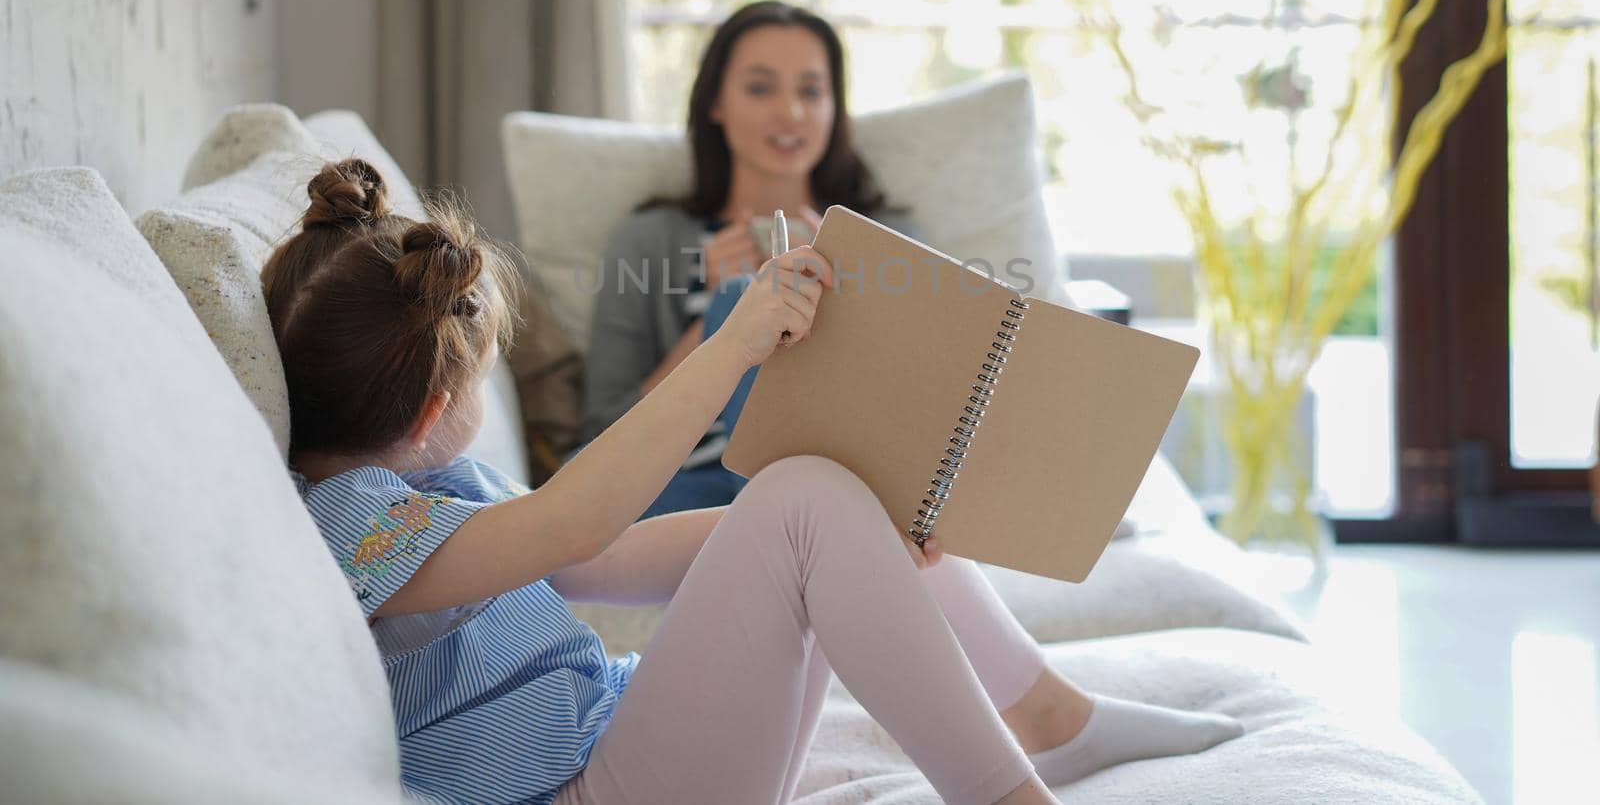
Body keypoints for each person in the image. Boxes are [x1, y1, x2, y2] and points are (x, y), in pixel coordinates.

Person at [268, 157, 1244, 805]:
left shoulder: (428, 502)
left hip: (622, 745)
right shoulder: (353, 530)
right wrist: (732, 343)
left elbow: (604, 559)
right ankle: (1023, 766)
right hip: (581, 787)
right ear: (434, 409)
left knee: (825, 489)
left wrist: (864, 546)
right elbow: (572, 523)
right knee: (804, 496)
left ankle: (1043, 712)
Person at [582, 0, 913, 518]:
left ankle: (805, 521)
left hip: (841, 482)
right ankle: (805, 526)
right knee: (743, 298)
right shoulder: (647, 240)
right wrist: (726, 319)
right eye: (760, 88)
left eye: (811, 91)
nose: (791, 113)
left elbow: (915, 411)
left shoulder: (885, 243)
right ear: (716, 102)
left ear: (834, 108)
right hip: (685, 487)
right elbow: (602, 434)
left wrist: (853, 289)